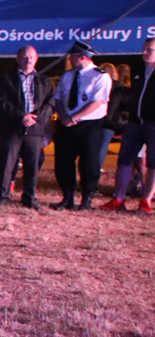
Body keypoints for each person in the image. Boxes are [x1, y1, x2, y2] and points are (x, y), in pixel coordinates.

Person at [52, 41, 112, 210]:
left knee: (89, 163)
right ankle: (67, 197)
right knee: (63, 161)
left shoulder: (100, 76)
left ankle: (87, 199)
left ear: (82, 57)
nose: (69, 59)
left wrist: (75, 117)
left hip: (90, 125)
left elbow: (98, 102)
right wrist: (63, 116)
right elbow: (59, 98)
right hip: (66, 123)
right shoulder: (68, 76)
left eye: (72, 56)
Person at [0, 45, 56, 210]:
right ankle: (2, 195)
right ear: (18, 59)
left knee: (32, 165)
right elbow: (2, 101)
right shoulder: (7, 78)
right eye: (25, 56)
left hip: (35, 129)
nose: (28, 60)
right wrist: (21, 116)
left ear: (36, 59)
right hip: (12, 127)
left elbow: (51, 102)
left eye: (31, 57)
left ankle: (29, 197)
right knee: (6, 163)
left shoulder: (43, 80)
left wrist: (36, 117)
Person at [101, 37, 155, 213]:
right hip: (134, 122)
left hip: (153, 124)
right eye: (144, 49)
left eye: (150, 50)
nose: (145, 53)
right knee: (124, 160)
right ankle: (118, 199)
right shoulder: (137, 68)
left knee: (152, 163)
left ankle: (145, 201)